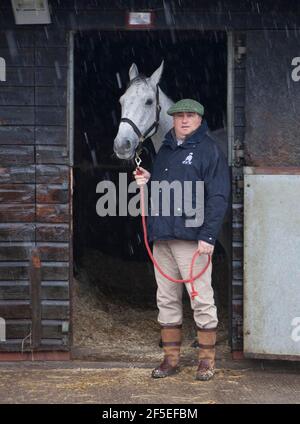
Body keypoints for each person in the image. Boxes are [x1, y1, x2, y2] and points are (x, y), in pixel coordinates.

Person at [134, 99, 230, 381]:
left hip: (192, 239)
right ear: (172, 119)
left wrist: (209, 236)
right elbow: (167, 189)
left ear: (200, 119)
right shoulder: (164, 150)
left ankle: (206, 361)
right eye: (179, 116)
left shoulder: (208, 150)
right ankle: (171, 359)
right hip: (162, 237)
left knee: (200, 298)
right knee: (166, 299)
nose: (184, 120)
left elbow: (218, 195)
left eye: (190, 116)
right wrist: (148, 180)